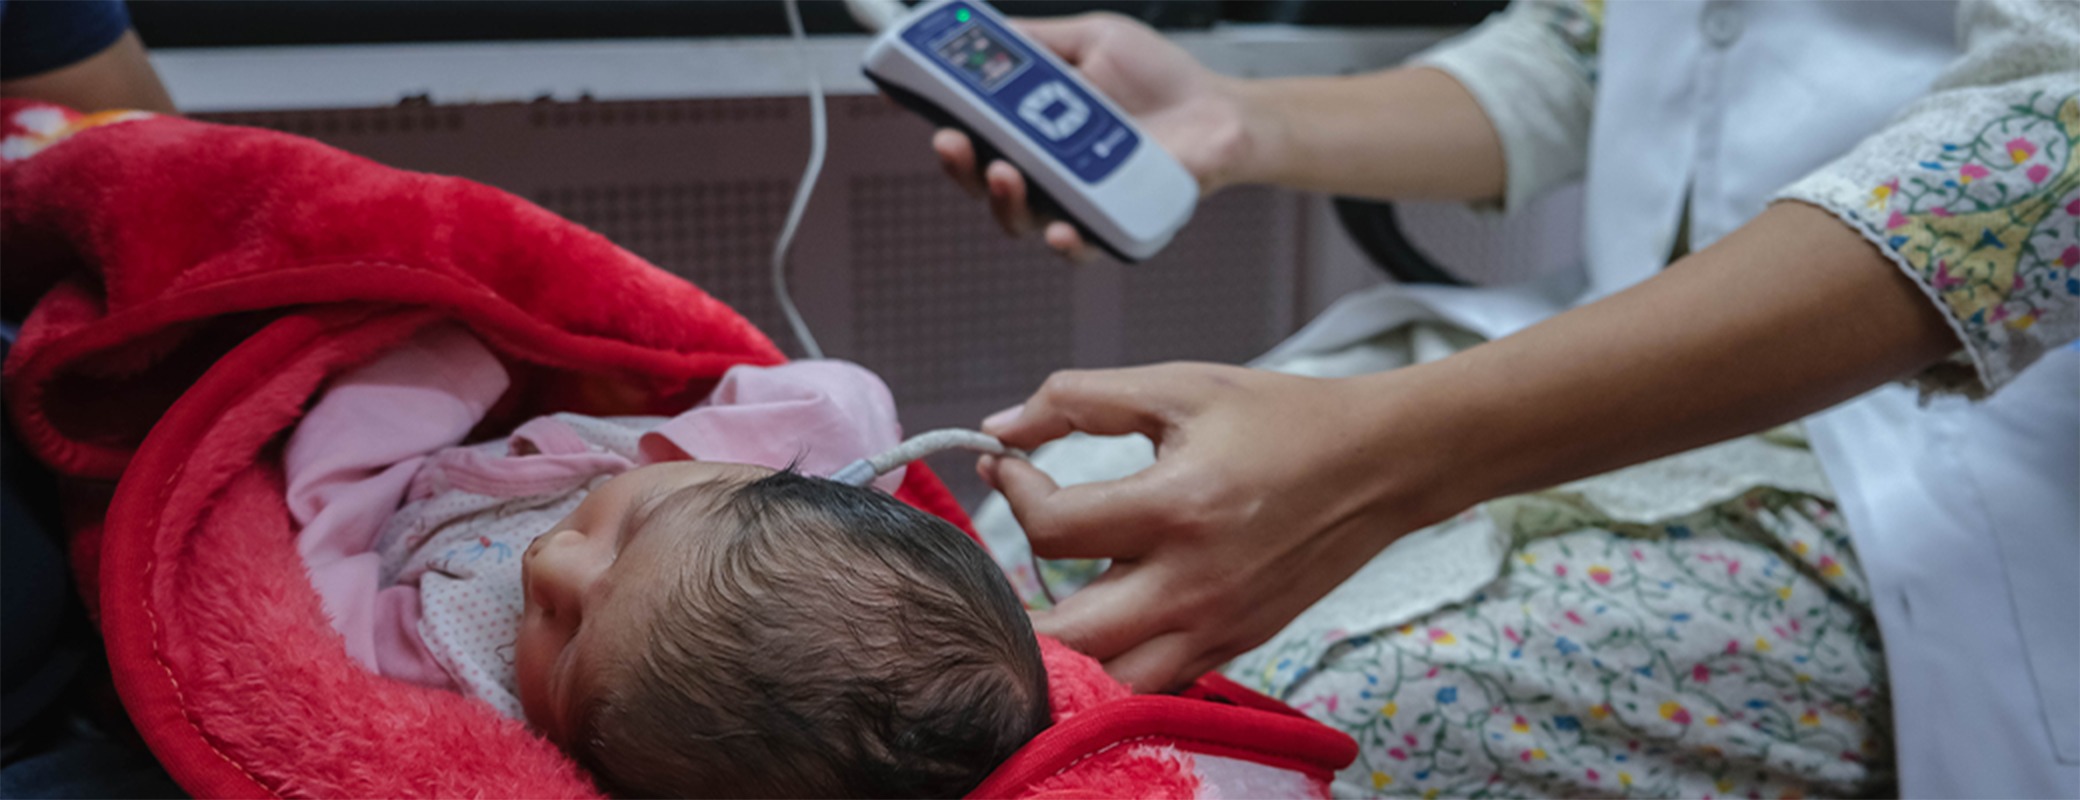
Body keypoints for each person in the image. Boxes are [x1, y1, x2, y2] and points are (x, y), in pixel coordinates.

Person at [936, 1, 2077, 796]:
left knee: (1288, 720)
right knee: (1003, 563)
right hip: (1590, 347)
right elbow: (1587, 43)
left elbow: (2050, 142)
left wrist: (1386, 458)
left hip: (1943, 446)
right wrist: (1234, 118)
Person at [285, 324, 1048, 798]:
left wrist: (434, 377)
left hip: (398, 476)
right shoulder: (755, 463)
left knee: (325, 482)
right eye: (635, 526)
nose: (551, 563)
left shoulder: (449, 662)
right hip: (520, 420)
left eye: (568, 635)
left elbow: (318, 577)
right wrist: (787, 448)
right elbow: (847, 395)